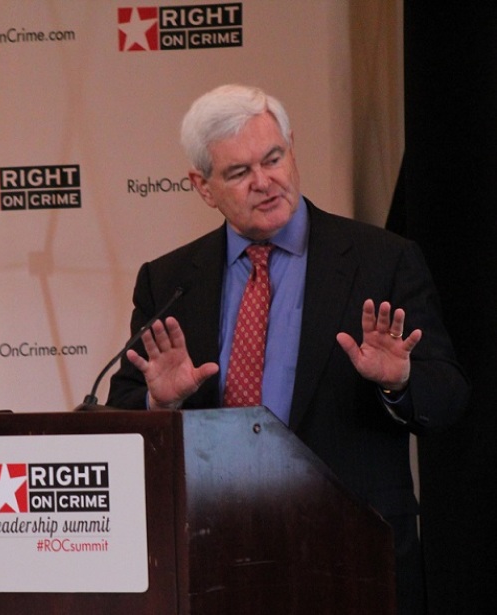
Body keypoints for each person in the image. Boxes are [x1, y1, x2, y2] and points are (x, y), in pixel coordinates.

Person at [106, 84, 469, 614]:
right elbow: (120, 411)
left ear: (292, 149)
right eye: (238, 172)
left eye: (273, 158)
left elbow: (449, 399)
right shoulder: (169, 281)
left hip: (354, 552)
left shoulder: (382, 260)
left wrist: (399, 380)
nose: (265, 182)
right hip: (213, 554)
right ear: (203, 186)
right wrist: (162, 405)